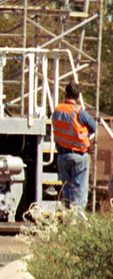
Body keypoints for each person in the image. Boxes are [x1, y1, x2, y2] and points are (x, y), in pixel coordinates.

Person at [51, 81, 96, 211]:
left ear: (65, 94)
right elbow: (93, 126)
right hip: (78, 155)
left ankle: (68, 218)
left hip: (62, 155)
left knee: (67, 193)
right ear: (78, 96)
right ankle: (76, 223)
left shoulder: (57, 110)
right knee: (79, 194)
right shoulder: (78, 112)